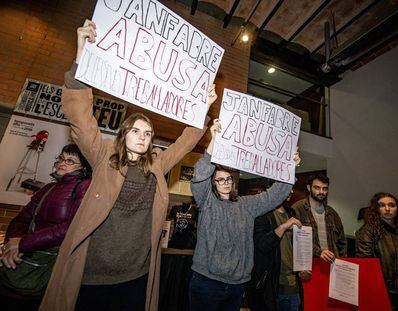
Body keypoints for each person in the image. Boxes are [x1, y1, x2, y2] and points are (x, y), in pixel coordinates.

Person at [39, 20, 216, 311]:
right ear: (124, 133)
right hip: (91, 276)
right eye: (136, 130)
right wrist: (81, 60)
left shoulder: (157, 165)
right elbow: (82, 123)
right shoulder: (103, 156)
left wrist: (204, 109)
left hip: (135, 276)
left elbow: (185, 143)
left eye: (147, 134)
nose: (142, 137)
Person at [188, 119, 300, 311]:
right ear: (213, 183)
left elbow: (273, 196)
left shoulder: (246, 205)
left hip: (237, 285)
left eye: (228, 179)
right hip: (206, 282)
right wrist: (213, 143)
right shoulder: (207, 202)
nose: (225, 183)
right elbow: (199, 178)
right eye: (219, 180)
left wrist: (289, 168)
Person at [0, 144, 92, 311]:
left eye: (70, 161)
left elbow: (71, 228)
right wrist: (11, 245)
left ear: (83, 167)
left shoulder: (84, 187)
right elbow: (21, 219)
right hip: (22, 258)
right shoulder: (48, 188)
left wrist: (23, 244)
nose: (62, 163)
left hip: (49, 266)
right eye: (61, 158)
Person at [246, 192, 311, 311]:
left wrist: (302, 267)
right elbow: (262, 245)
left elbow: (296, 247)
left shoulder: (291, 212)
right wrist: (283, 227)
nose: (291, 191)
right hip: (270, 287)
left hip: (293, 285)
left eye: (291, 188)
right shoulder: (261, 213)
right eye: (286, 186)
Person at [356, 192, 398, 311]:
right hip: (384, 292)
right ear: (376, 209)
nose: (387, 209)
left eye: (392, 205)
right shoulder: (368, 231)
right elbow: (365, 265)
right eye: (382, 205)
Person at [292, 174, 347, 262]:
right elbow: (295, 240)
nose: (321, 192)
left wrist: (342, 263)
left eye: (325, 188)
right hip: (309, 264)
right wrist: (318, 252)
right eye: (317, 188)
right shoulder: (298, 209)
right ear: (309, 188)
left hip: (332, 264)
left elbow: (342, 243)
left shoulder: (332, 213)